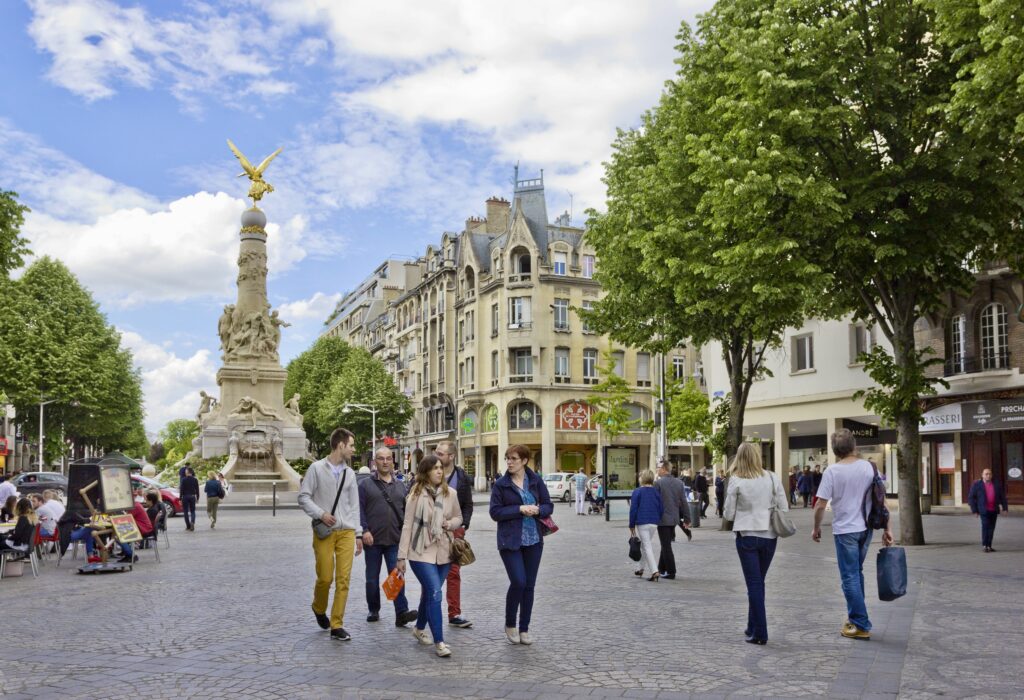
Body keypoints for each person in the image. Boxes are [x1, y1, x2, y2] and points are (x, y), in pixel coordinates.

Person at [812, 429, 894, 641]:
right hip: (865, 529)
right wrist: (888, 528)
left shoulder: (832, 472)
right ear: (854, 445)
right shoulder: (869, 467)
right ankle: (855, 617)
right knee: (856, 573)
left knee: (849, 577)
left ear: (834, 450)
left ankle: (860, 623)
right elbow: (881, 499)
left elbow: (820, 504)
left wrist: (816, 527)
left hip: (845, 530)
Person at [297, 427, 363, 642]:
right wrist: (321, 513)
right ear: (341, 445)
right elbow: (304, 497)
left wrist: (358, 534)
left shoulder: (350, 473)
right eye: (351, 445)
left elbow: (354, 506)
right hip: (324, 531)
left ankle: (337, 624)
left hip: (346, 531)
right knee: (325, 577)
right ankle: (318, 607)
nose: (354, 449)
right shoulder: (316, 469)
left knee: (343, 579)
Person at [723, 443, 789, 645]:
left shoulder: (736, 481)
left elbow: (728, 513)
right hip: (769, 535)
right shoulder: (771, 477)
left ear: (738, 458)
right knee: (758, 582)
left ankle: (760, 632)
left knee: (754, 583)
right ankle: (752, 625)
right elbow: (784, 506)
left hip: (747, 534)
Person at [397, 455, 462, 658]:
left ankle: (418, 628)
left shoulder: (450, 493)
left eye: (441, 468)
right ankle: (440, 642)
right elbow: (407, 525)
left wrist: (450, 524)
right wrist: (401, 557)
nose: (439, 471)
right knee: (435, 592)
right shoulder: (415, 495)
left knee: (429, 593)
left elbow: (459, 517)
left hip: (443, 552)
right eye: (434, 468)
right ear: (426, 472)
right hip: (420, 551)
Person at [489, 444, 553, 645]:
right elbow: (495, 512)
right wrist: (519, 509)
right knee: (518, 581)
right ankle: (510, 624)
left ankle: (524, 628)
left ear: (524, 461)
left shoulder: (535, 480)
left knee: (529, 586)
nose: (509, 462)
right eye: (507, 458)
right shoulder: (501, 484)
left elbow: (548, 505)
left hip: (534, 539)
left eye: (514, 458)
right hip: (510, 541)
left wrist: (538, 510)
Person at [359, 447, 418, 628]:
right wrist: (364, 530)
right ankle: (373, 609)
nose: (385, 462)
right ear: (374, 462)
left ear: (392, 461)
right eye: (380, 459)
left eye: (388, 459)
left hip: (394, 539)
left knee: (396, 576)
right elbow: (359, 510)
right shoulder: (365, 485)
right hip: (373, 540)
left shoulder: (401, 486)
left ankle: (401, 613)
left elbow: (407, 513)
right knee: (372, 578)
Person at [434, 440, 474, 629]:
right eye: (436, 452)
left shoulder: (461, 476)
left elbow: (467, 504)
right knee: (431, 572)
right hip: (431, 531)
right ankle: (428, 611)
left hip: (453, 530)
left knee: (453, 572)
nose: (437, 456)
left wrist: (463, 525)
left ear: (451, 456)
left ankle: (454, 613)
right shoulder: (427, 473)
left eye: (441, 454)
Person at [628, 469, 663, 582]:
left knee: (647, 547)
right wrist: (657, 518)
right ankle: (640, 569)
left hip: (642, 522)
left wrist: (631, 524)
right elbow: (661, 508)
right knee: (644, 546)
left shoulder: (637, 492)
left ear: (642, 479)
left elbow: (633, 510)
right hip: (654, 523)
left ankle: (654, 571)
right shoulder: (656, 492)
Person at [654, 461, 686, 578]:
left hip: (662, 519)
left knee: (666, 545)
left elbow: (655, 503)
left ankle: (671, 571)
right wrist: (687, 518)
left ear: (663, 469)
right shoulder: (679, 483)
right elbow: (684, 502)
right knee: (665, 543)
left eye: (658, 468)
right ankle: (661, 569)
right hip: (674, 519)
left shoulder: (658, 483)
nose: (657, 470)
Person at [967, 468, 1009, 552]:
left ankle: (989, 546)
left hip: (993, 510)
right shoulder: (977, 485)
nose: (988, 475)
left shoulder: (996, 484)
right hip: (983, 510)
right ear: (982, 475)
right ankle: (984, 545)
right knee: (985, 526)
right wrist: (975, 510)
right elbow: (971, 498)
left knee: (991, 528)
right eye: (986, 474)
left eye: (989, 474)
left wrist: (1005, 508)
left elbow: (1002, 497)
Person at [116, 497, 154, 563]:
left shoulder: (135, 507)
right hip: (144, 528)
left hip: (144, 529)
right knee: (120, 533)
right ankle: (127, 553)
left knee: (118, 537)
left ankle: (131, 555)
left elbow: (126, 518)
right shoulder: (136, 504)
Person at [179, 467, 200, 531]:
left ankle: (188, 526)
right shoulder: (195, 480)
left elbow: (181, 489)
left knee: (185, 511)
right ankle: (192, 522)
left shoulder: (183, 479)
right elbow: (197, 489)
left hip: (185, 497)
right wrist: (197, 497)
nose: (185, 472)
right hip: (192, 496)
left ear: (187, 472)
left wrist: (180, 498)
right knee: (193, 511)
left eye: (186, 471)